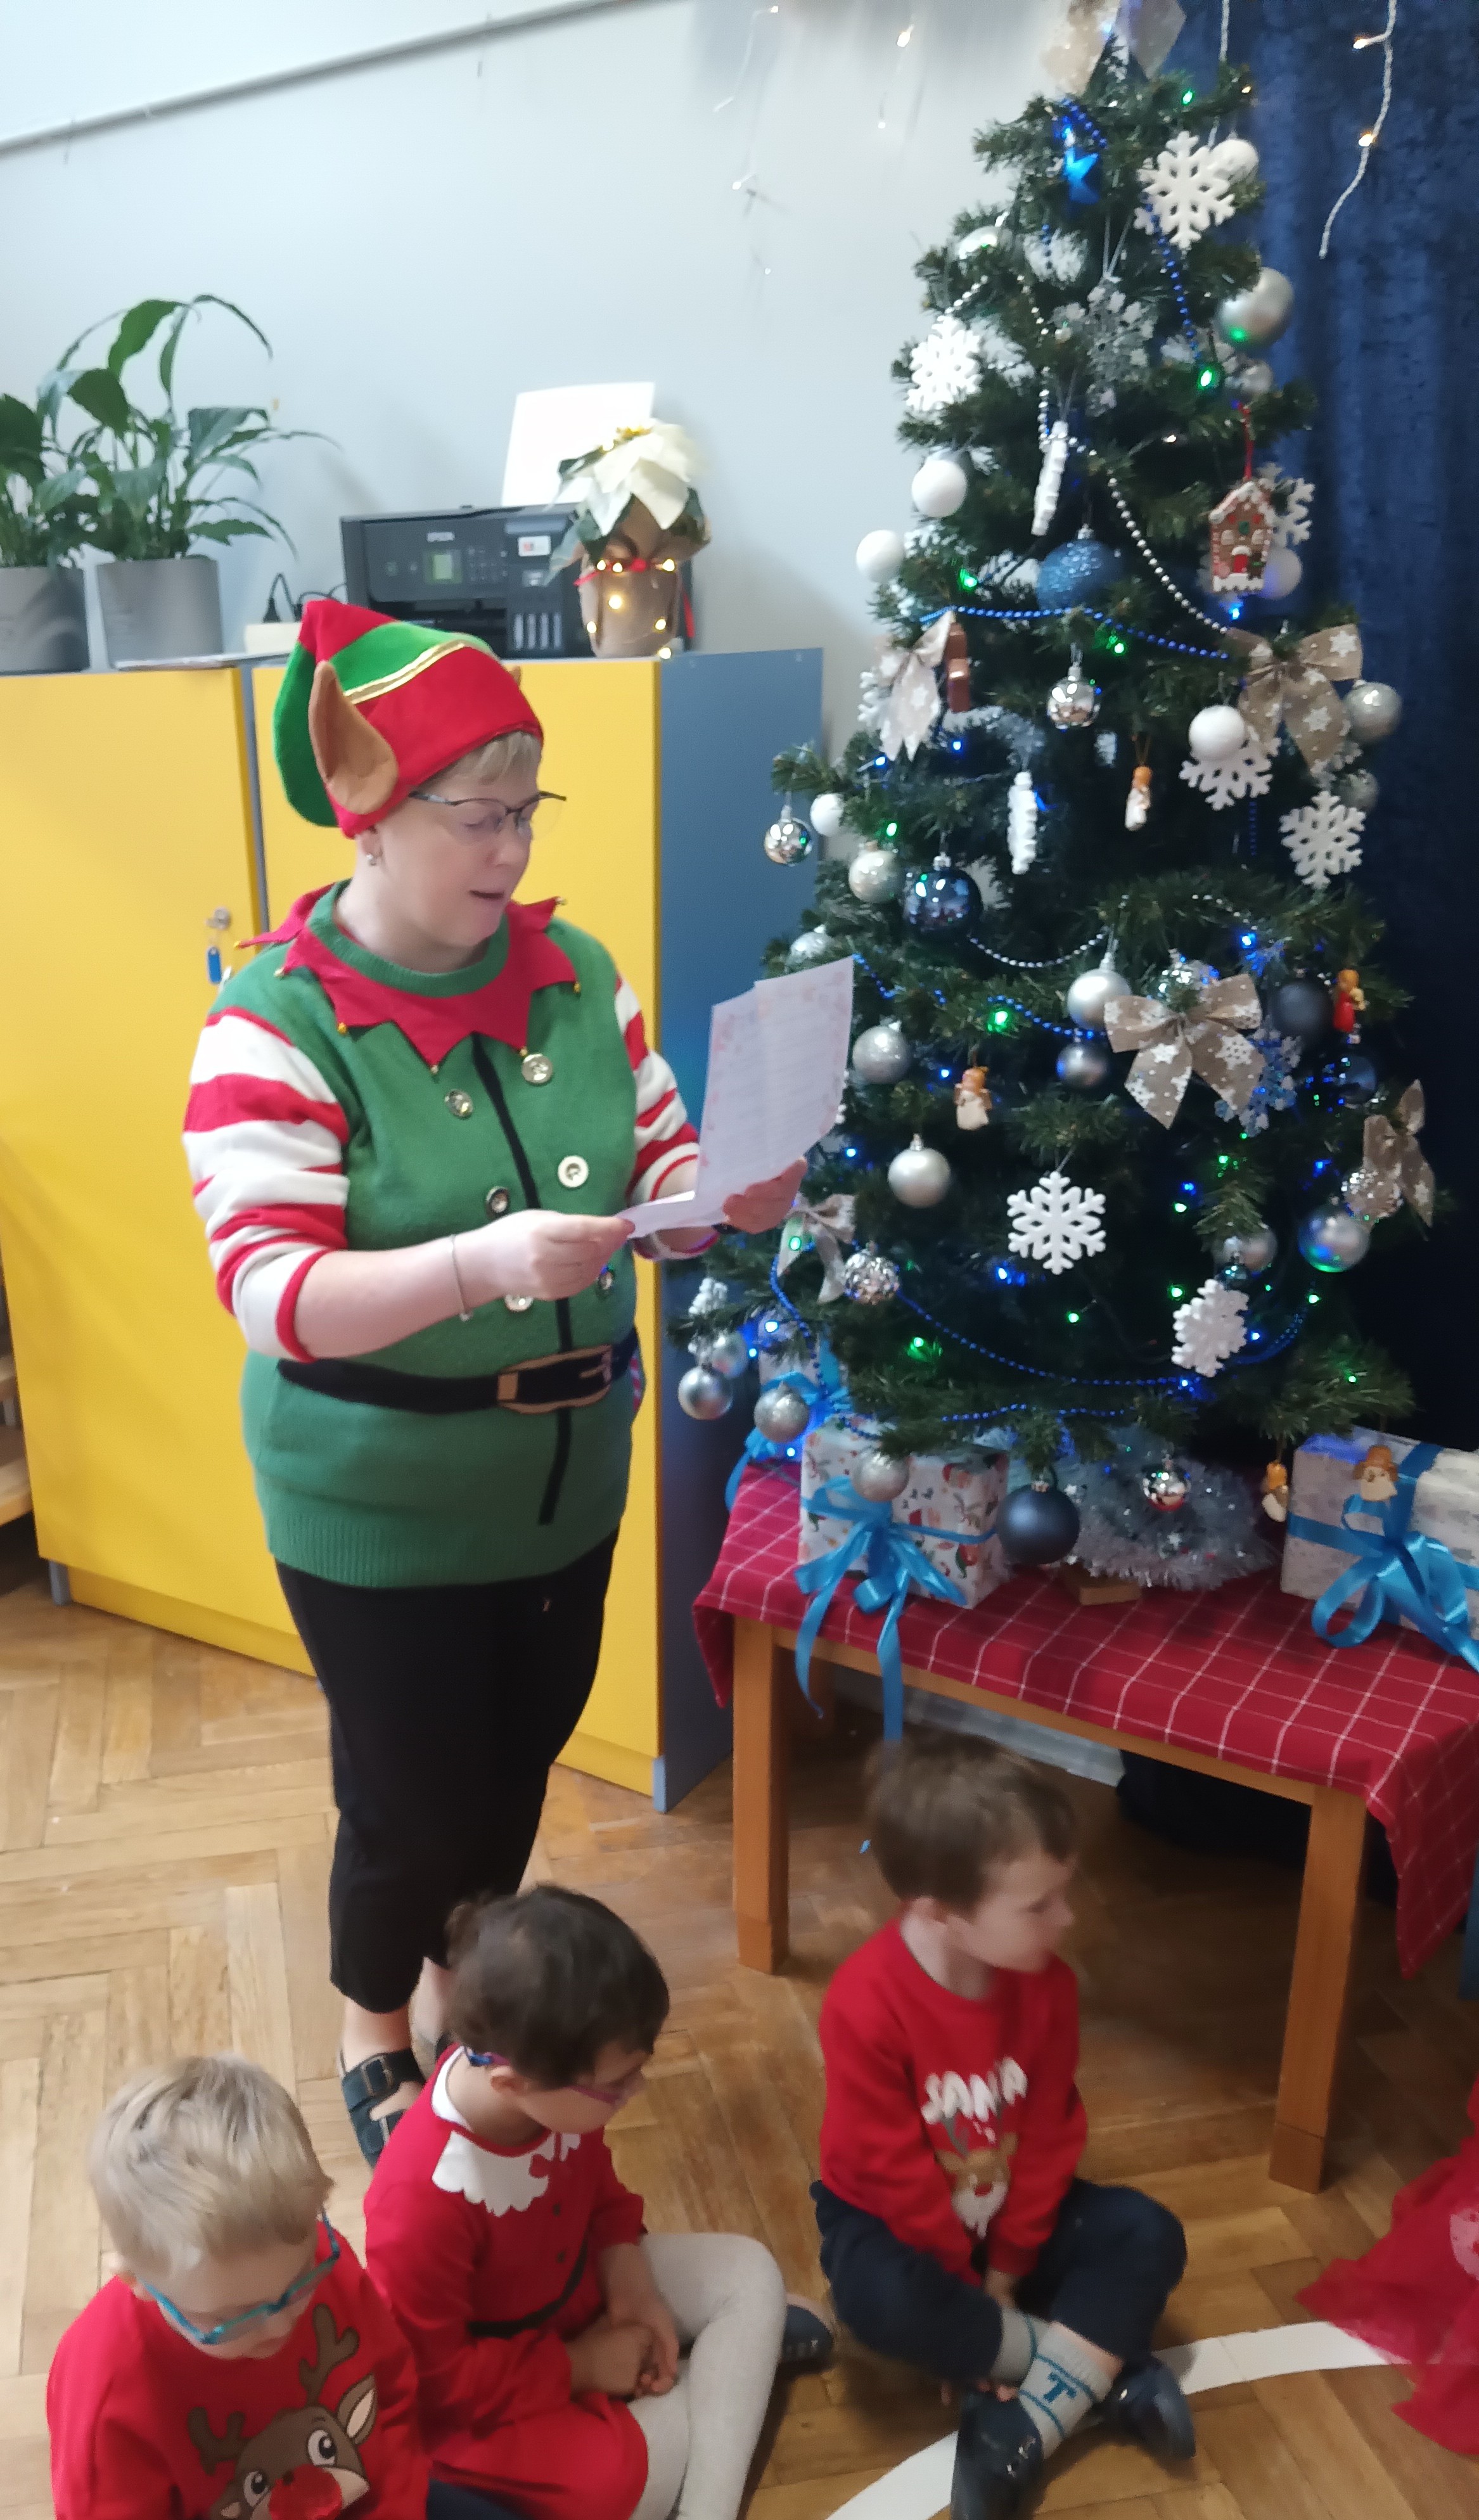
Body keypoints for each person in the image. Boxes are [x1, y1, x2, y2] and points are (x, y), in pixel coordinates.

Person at [183, 600, 802, 2165]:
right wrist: (480, 1265)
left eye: (529, 810)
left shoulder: (578, 970)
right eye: (477, 814)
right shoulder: (275, 1023)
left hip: (568, 1482)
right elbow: (275, 1296)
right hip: (380, 1503)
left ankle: (466, 1991)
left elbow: (656, 1159)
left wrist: (719, 1196)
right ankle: (372, 2025)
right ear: (369, 815)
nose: (512, 848)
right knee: (408, 1799)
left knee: (512, 1765)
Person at [812, 1731, 1194, 2520]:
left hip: (1011, 2217)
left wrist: (1004, 2278)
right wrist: (964, 2285)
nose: (1067, 1916)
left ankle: (1016, 2427)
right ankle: (1100, 2377)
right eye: (1038, 1905)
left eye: (1064, 1891)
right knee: (882, 2300)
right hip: (899, 2230)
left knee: (1148, 2233)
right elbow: (895, 2177)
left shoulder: (1045, 1985)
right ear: (940, 1911)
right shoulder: (864, 2003)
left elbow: (1051, 2135)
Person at [364, 1884, 830, 2520]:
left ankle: (716, 2449)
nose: (636, 2091)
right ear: (512, 2083)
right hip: (492, 2395)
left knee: (751, 2272)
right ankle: (734, 2370)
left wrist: (630, 2281)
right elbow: (438, 2380)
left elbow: (599, 2192)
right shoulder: (419, 2198)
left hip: (575, 2298)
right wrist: (580, 2365)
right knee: (619, 2485)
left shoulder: (554, 2091)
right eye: (616, 2084)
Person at [46, 2052, 515, 2520]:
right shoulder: (106, 2393)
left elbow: (392, 2398)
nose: (280, 2325)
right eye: (233, 2317)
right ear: (139, 2282)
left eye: (300, 2283)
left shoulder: (310, 2256)